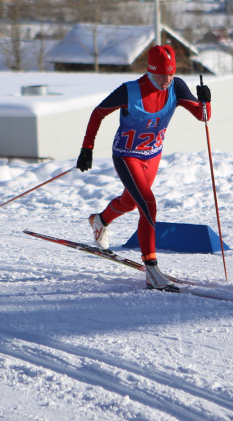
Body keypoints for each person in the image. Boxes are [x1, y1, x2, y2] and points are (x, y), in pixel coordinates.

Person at [76, 44, 211, 290]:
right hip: (127, 156)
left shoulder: (177, 86)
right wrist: (87, 148)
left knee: (130, 202)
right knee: (148, 204)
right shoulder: (130, 91)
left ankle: (100, 220)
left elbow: (202, 117)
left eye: (170, 74)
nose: (167, 80)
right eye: (161, 75)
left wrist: (205, 102)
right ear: (150, 71)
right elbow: (98, 113)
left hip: (152, 156)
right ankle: (151, 269)